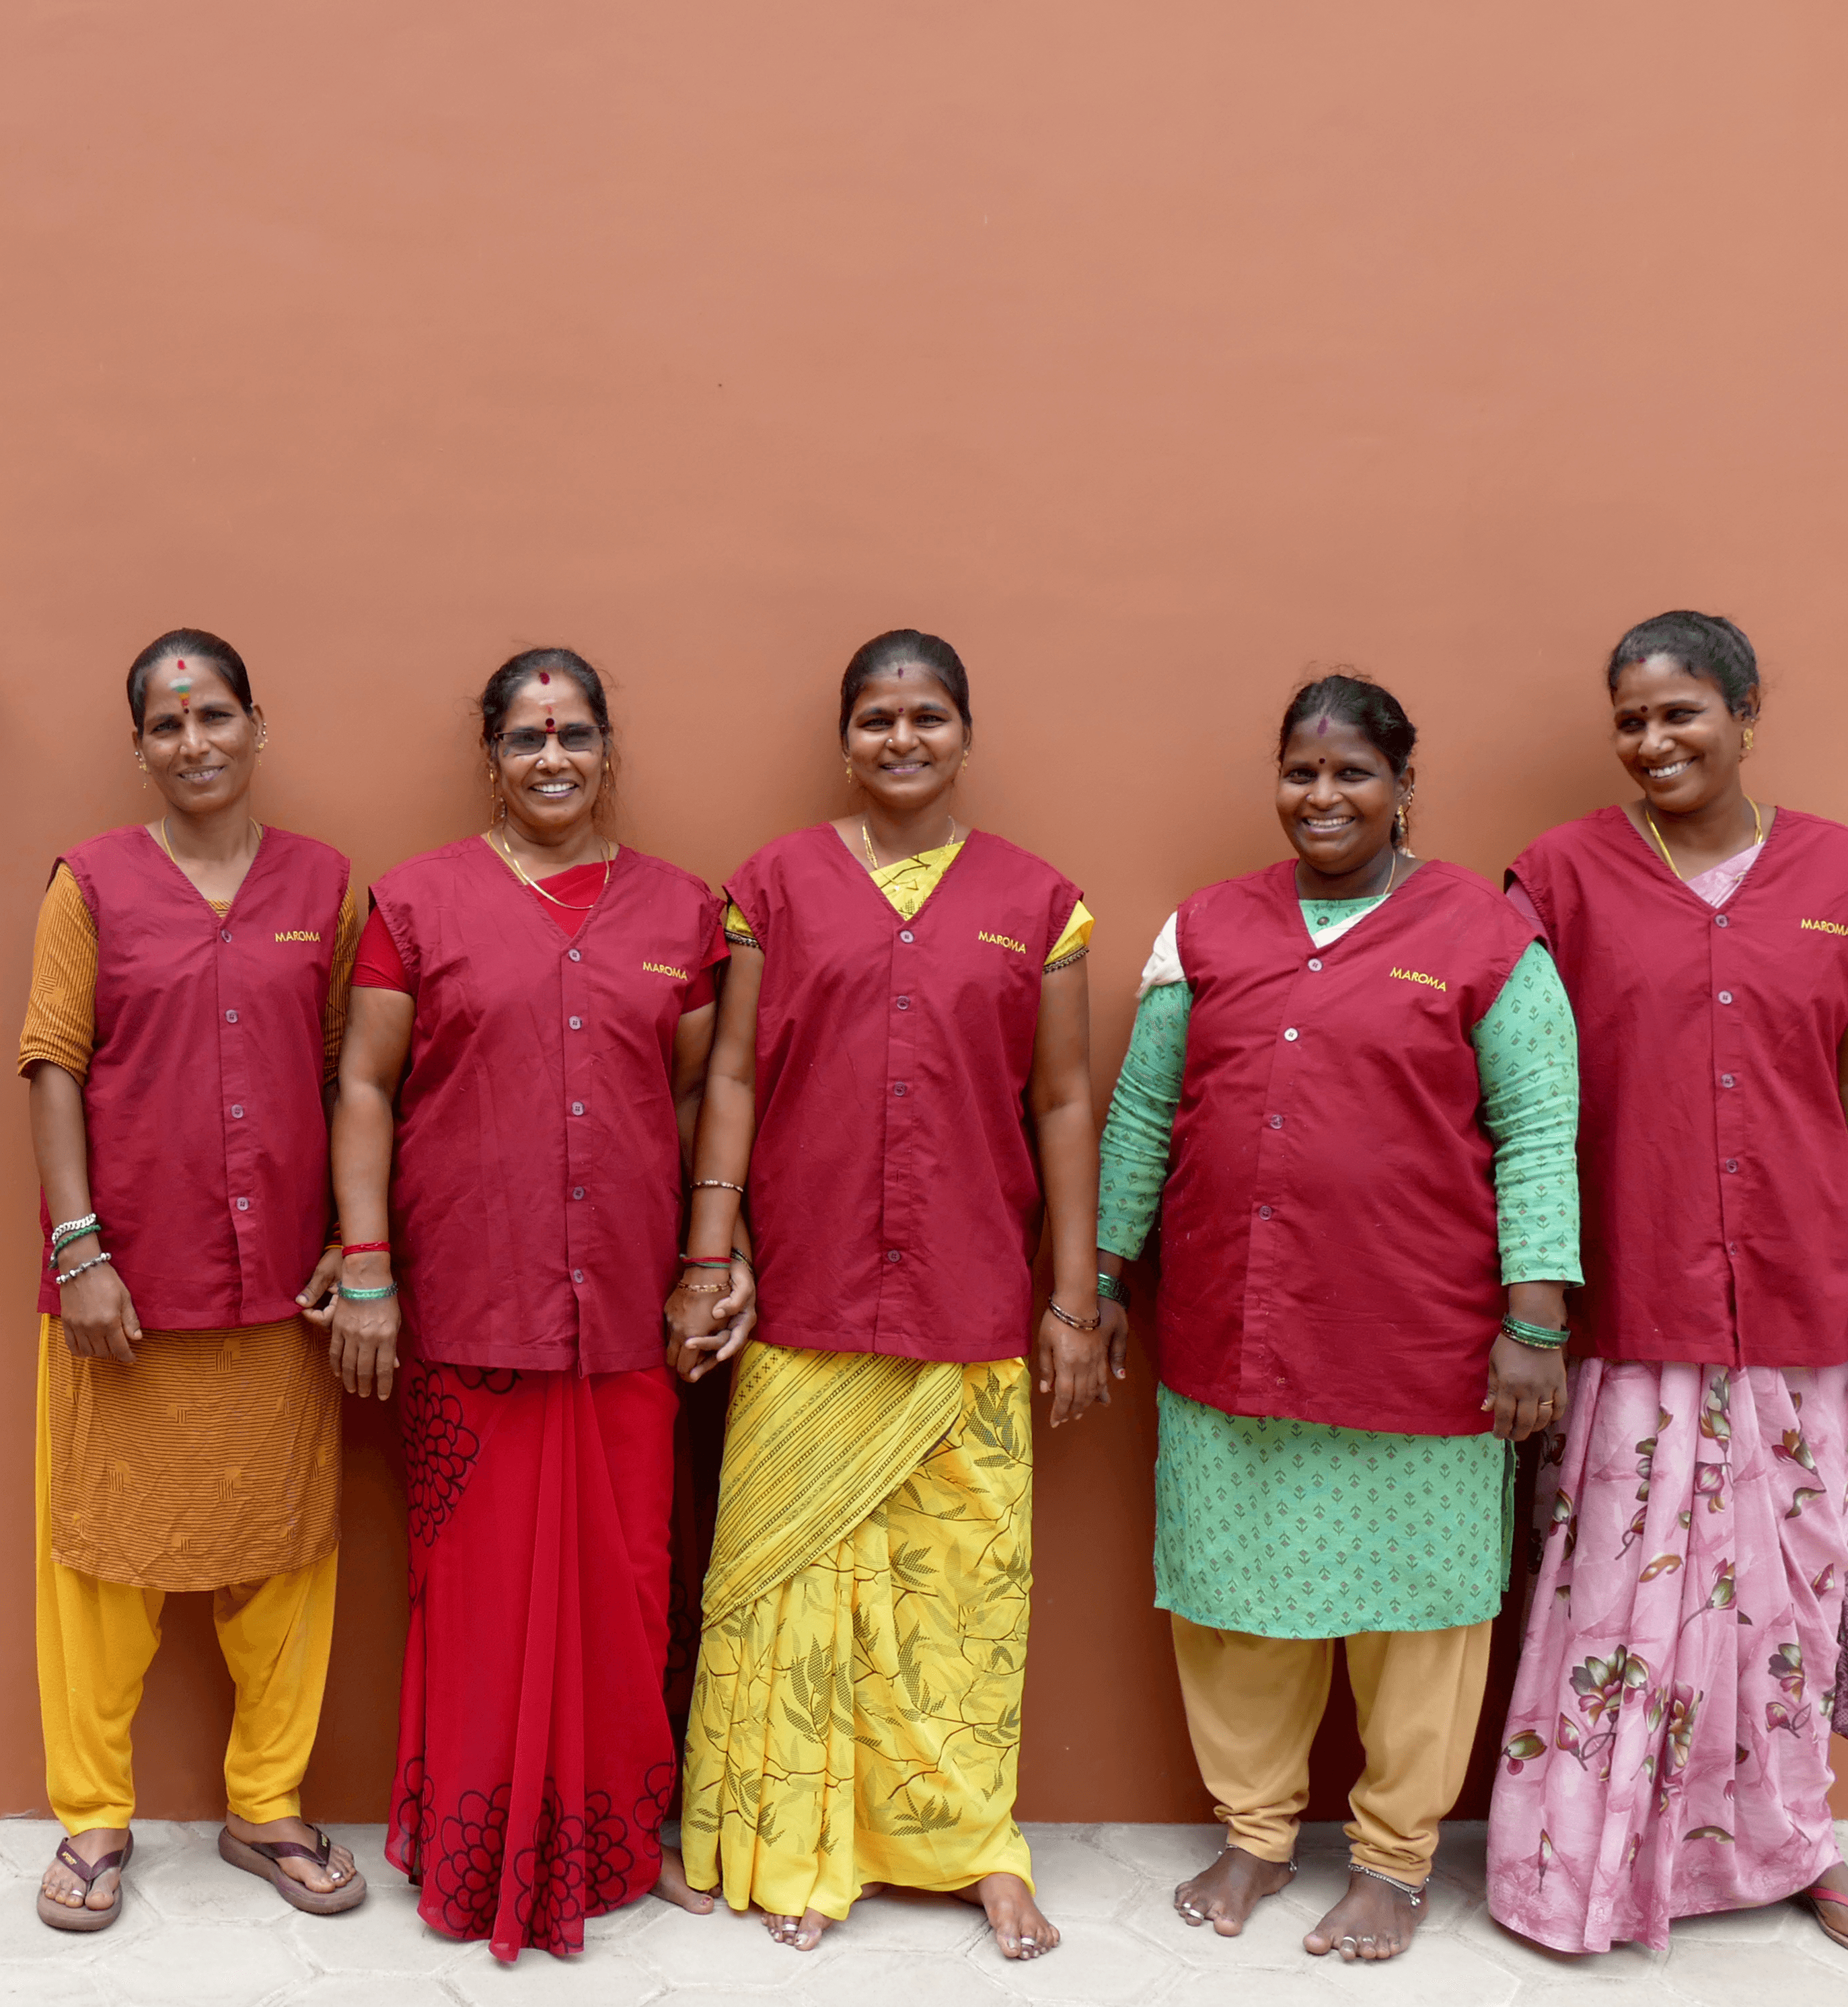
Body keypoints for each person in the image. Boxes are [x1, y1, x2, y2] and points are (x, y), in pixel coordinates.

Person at [1095, 673, 1581, 1965]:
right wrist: (1099, 1274)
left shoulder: (1483, 936)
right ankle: (1255, 1833)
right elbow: (1145, 1113)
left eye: (1354, 773)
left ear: (1405, 787)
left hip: (1419, 1341)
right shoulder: (1205, 930)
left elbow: (1538, 1129)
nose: (1324, 797)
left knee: (1423, 1616)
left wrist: (1535, 1318)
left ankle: (1395, 1863)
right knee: (1238, 1604)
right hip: (1232, 1330)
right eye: (1302, 774)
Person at [671, 630, 1112, 1960]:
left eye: (926, 715)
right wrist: (708, 1250)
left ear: (965, 733)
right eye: (876, 718)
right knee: (785, 1582)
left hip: (971, 1296)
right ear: (846, 738)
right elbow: (733, 1076)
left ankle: (974, 1847)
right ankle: (794, 1838)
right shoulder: (774, 887)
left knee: (962, 1598)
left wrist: (1074, 1299)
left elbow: (1061, 1096)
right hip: (803, 1291)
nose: (902, 739)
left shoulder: (1039, 904)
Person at [1488, 612, 1848, 1965]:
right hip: (1634, 1300)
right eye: (1630, 718)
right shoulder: (1557, 880)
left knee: (1780, 1603)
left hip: (1796, 1291)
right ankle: (1592, 1856)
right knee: (1618, 1597)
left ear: (1741, 712)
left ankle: (1794, 1847)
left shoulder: (1842, 871)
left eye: (1681, 712)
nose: (1653, 740)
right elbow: (1515, 1092)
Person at [330, 647, 734, 1963]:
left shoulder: (681, 914)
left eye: (571, 735)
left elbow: (688, 1098)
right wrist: (370, 1265)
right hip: (469, 1305)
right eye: (522, 737)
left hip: (621, 1306)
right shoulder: (415, 904)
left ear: (608, 749)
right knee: (482, 1590)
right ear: (490, 757)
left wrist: (705, 1259)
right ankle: (475, 1841)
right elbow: (367, 1088)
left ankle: (616, 1838)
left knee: (625, 1581)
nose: (548, 758)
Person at [25, 631, 363, 1932]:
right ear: (140, 749)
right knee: (103, 1563)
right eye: (168, 727)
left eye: (215, 716)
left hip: (280, 1287)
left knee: (284, 1557)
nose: (195, 744)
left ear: (256, 726)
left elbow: (350, 1077)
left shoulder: (323, 885)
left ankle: (264, 1806)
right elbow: (53, 1061)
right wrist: (81, 1248)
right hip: (127, 1292)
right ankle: (93, 1823)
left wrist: (353, 1237)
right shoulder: (93, 883)